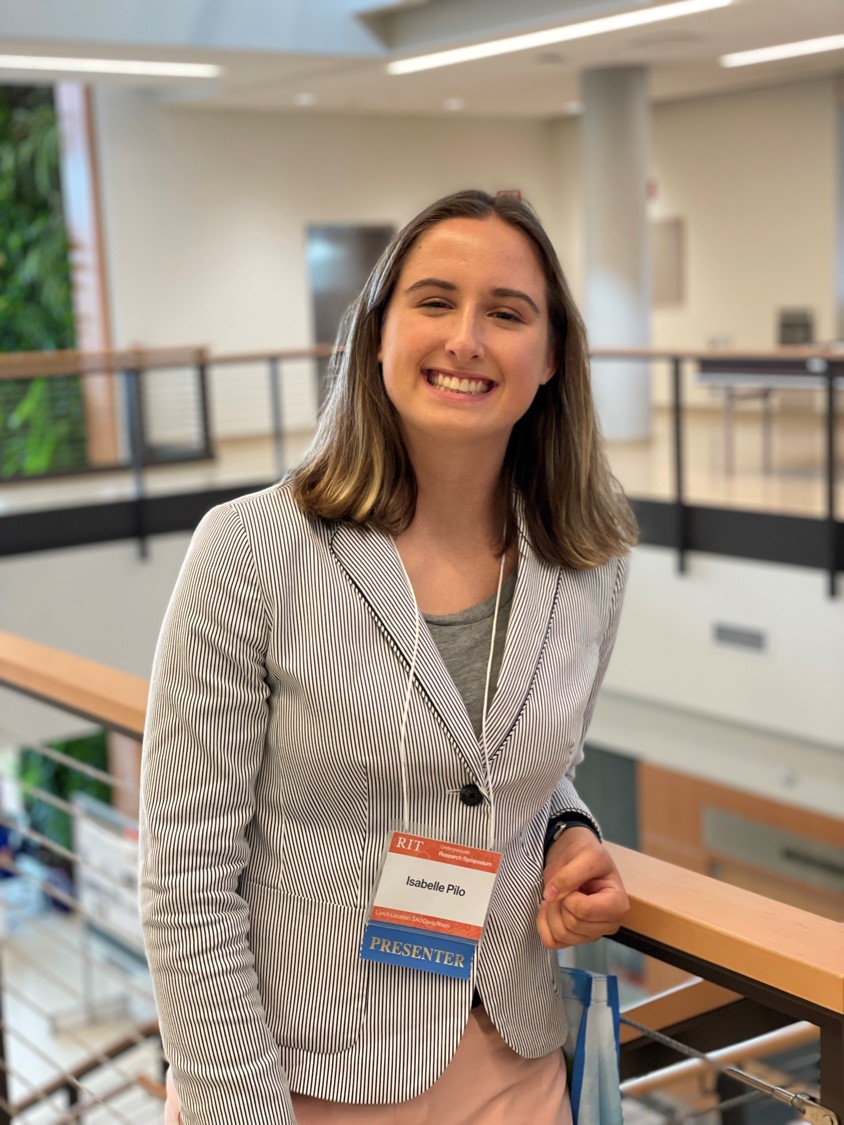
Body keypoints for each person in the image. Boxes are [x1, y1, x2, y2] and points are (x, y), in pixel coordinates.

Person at [140, 188, 637, 1125]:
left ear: (551, 357)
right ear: (377, 332)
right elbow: (186, 883)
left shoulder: (590, 563)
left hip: (517, 1065)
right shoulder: (249, 551)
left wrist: (569, 831)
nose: (466, 339)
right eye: (435, 301)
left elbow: (521, 769)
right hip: (301, 1081)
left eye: (507, 313)